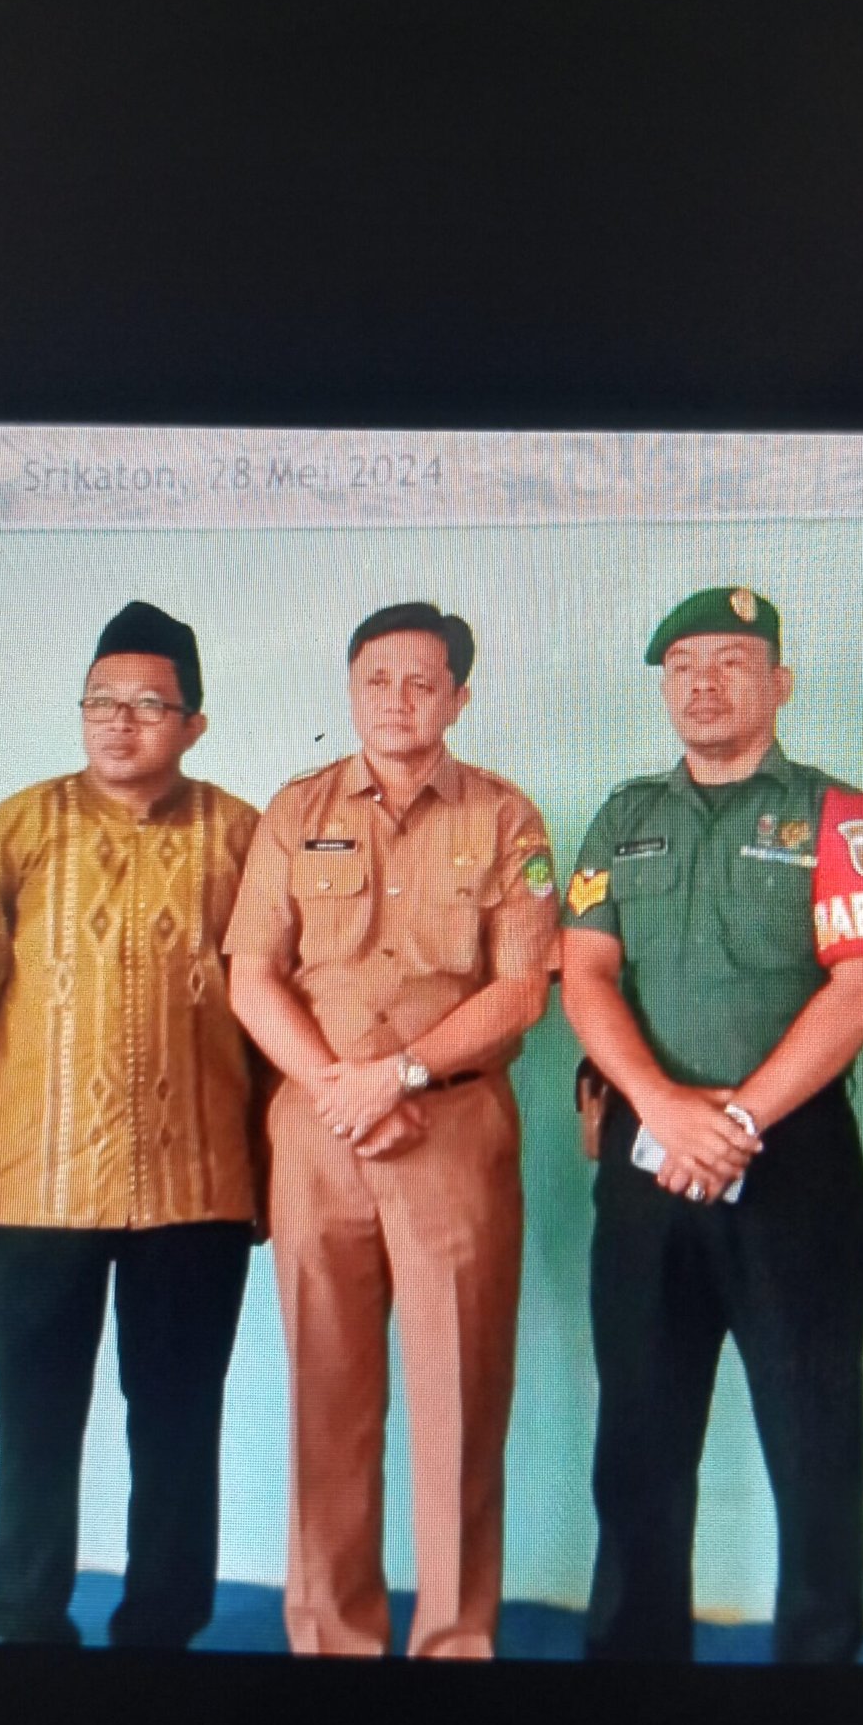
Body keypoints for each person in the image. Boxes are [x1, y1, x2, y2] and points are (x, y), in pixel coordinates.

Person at [561, 587, 863, 1662]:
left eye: (729, 662)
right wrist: (664, 1107)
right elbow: (585, 976)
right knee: (636, 1443)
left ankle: (814, 1689)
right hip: (646, 1159)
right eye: (681, 669)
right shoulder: (623, 818)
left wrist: (738, 1119)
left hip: (793, 1168)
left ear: (780, 683)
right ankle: (631, 1682)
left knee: (814, 1446)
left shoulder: (842, 815)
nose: (703, 685)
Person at [0, 601, 262, 1648]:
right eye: (100, 701)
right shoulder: (17, 828)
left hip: (195, 1190)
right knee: (35, 1426)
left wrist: (268, 1174)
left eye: (147, 704)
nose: (118, 721)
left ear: (193, 724)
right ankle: (25, 1627)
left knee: (179, 1425)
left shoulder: (243, 837)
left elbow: (273, 1011)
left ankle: (161, 1635)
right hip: (33, 1187)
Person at [225, 602, 557, 1657]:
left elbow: (521, 989)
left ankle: (454, 1642)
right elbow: (252, 975)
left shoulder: (506, 818)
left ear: (459, 697)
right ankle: (332, 1640)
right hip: (319, 1132)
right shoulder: (296, 809)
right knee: (325, 1399)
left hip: (449, 1131)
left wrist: (400, 1074)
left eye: (422, 682)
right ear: (351, 690)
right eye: (376, 680)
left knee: (458, 1403)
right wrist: (336, 1085)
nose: (397, 701)